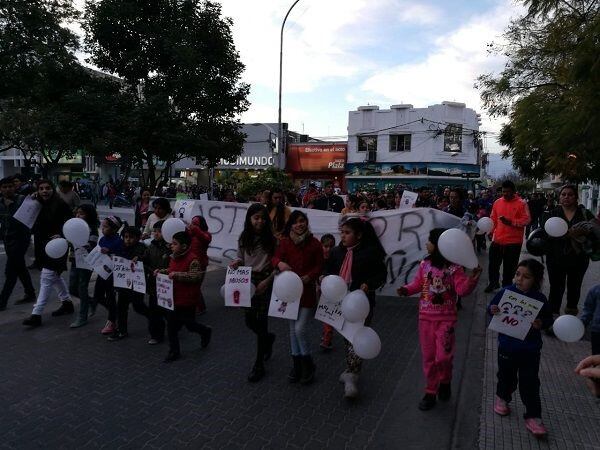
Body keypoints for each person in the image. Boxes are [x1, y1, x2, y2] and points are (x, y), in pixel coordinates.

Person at [397, 228, 481, 410]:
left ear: (440, 245)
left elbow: (462, 290)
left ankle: (445, 381)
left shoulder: (454, 268)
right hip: (425, 320)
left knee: (443, 357)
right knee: (428, 357)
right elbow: (418, 284)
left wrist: (472, 280)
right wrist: (406, 289)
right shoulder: (424, 264)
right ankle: (430, 391)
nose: (426, 244)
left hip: (446, 320)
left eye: (429, 240)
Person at [324, 218, 387, 399]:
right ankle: (351, 370)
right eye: (341, 232)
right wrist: (323, 277)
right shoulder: (336, 252)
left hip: (362, 304)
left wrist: (369, 284)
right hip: (340, 303)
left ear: (358, 235)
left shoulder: (370, 252)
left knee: (356, 339)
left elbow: (381, 274)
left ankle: (352, 375)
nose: (343, 236)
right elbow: (328, 269)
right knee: (347, 339)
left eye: (347, 232)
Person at [488, 259, 552, 437]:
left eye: (526, 277)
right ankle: (502, 398)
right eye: (517, 274)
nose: (519, 279)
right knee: (505, 376)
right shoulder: (506, 292)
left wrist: (542, 323)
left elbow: (548, 319)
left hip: (530, 350)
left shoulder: (540, 299)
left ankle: (533, 416)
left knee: (530, 383)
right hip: (507, 347)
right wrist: (492, 308)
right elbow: (491, 307)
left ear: (536, 280)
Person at [273, 210, 324, 385]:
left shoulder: (315, 243)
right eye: (295, 222)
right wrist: (279, 263)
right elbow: (275, 258)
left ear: (306, 222)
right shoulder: (286, 242)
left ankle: (308, 365)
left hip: (307, 292)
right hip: (289, 293)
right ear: (291, 225)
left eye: (302, 221)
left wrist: (310, 276)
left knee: (300, 329)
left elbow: (320, 265)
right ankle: (297, 365)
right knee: (292, 330)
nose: (299, 225)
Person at [230, 204, 277, 382]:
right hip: (247, 281)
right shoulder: (244, 237)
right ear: (250, 219)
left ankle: (258, 365)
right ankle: (268, 339)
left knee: (262, 321)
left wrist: (268, 281)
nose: (260, 221)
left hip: (264, 281)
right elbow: (240, 256)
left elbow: (277, 264)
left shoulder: (271, 240)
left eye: (263, 218)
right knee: (249, 320)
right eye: (256, 217)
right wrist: (236, 262)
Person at [22, 180, 74, 327]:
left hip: (57, 246)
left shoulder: (60, 204)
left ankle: (36, 314)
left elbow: (70, 224)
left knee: (46, 278)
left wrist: (62, 236)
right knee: (55, 277)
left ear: (53, 189)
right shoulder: (36, 203)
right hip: (42, 246)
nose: (45, 191)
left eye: (48, 188)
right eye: (41, 188)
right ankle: (67, 303)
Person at [542, 184, 595, 316]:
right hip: (555, 258)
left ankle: (570, 314)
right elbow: (545, 235)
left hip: (578, 259)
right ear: (559, 197)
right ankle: (552, 315)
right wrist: (567, 234)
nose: (566, 197)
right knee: (555, 288)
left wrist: (583, 233)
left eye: (570, 194)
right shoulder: (552, 213)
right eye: (563, 194)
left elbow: (594, 234)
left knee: (574, 287)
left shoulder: (585, 213)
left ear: (576, 197)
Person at [159, 231, 212, 362]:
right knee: (171, 327)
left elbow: (195, 276)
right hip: (174, 298)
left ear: (183, 246)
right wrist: (161, 272)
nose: (171, 245)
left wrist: (177, 275)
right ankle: (174, 351)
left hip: (187, 300)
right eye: (172, 243)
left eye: (175, 244)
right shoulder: (173, 257)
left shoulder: (193, 259)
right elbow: (171, 271)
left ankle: (205, 331)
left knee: (190, 325)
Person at [484, 180, 530, 293]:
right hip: (498, 240)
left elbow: (527, 219)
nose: (505, 194)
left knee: (509, 267)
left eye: (508, 192)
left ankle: (506, 286)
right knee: (493, 264)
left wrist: (511, 222)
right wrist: (490, 231)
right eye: (503, 192)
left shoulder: (521, 203)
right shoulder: (497, 202)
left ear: (513, 191)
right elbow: (493, 219)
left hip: (513, 242)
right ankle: (493, 283)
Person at [0, 177, 36, 310]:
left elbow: (25, 220)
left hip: (21, 239)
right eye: (5, 187)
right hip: (7, 240)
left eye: (10, 186)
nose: (8, 189)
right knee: (20, 267)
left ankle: (2, 301)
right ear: (1, 189)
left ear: (15, 187)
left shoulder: (22, 200)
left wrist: (10, 209)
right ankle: (30, 292)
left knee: (10, 270)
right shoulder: (0, 202)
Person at [109, 226, 149, 341]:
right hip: (123, 284)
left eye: (131, 237)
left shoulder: (141, 248)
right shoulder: (121, 247)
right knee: (121, 307)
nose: (128, 240)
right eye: (125, 237)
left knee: (138, 306)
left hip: (136, 284)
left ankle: (154, 318)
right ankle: (121, 330)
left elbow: (146, 259)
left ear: (138, 238)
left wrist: (139, 258)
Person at [68, 205, 99, 328]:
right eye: (77, 213)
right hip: (75, 260)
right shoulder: (74, 227)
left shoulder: (92, 229)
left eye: (81, 213)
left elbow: (92, 244)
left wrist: (85, 245)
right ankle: (91, 301)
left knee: (82, 287)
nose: (78, 216)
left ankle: (82, 316)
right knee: (72, 288)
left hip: (86, 262)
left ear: (89, 215)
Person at [94, 216, 124, 335]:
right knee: (98, 296)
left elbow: (120, 257)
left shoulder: (118, 241)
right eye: (102, 225)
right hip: (102, 272)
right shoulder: (102, 240)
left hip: (112, 275)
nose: (102, 228)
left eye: (105, 226)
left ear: (114, 229)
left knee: (110, 296)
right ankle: (115, 312)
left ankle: (112, 321)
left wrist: (111, 252)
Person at [144, 220, 170, 344]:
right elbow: (145, 261)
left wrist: (164, 271)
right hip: (154, 284)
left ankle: (174, 327)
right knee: (154, 311)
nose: (156, 234)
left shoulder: (172, 247)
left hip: (168, 285)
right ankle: (156, 335)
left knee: (168, 311)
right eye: (155, 231)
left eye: (159, 231)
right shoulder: (151, 246)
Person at [188, 215, 211, 314]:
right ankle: (195, 307)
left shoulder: (206, 234)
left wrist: (196, 230)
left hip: (201, 264)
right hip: (190, 264)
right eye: (192, 223)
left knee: (195, 286)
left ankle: (200, 308)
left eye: (196, 223)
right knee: (192, 286)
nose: (193, 225)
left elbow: (206, 239)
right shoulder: (189, 235)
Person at [319, 234, 336, 351]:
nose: (328, 249)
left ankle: (327, 340)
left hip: (331, 291)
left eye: (331, 246)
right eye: (325, 246)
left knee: (328, 315)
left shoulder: (335, 258)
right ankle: (326, 335)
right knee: (323, 314)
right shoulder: (318, 258)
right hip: (320, 289)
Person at [581, 284, 600, 355]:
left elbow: (588, 310)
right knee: (596, 356)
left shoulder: (595, 289)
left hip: (597, 329)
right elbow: (588, 309)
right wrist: (582, 324)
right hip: (597, 331)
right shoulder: (596, 290)